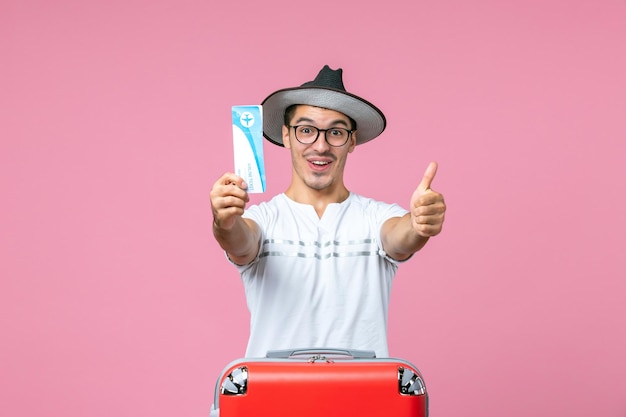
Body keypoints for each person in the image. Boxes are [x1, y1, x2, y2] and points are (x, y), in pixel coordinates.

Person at [210, 65, 446, 358]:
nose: (320, 146)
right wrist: (224, 220)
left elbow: (400, 237)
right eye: (306, 130)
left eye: (335, 132)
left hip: (361, 398)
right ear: (286, 136)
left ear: (352, 141)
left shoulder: (375, 218)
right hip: (275, 398)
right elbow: (240, 241)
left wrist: (419, 222)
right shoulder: (263, 220)